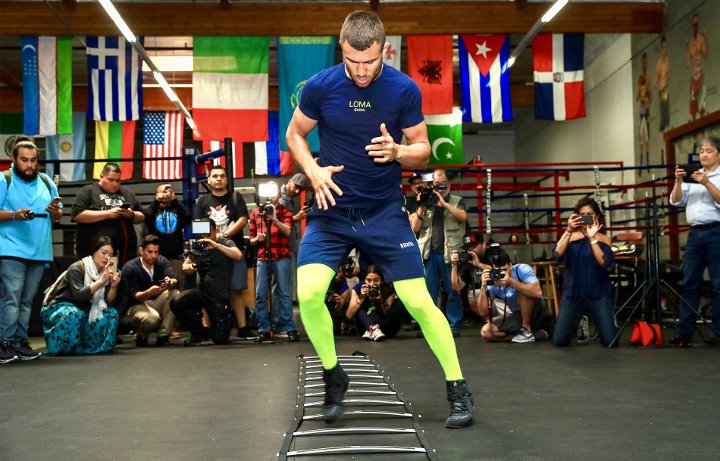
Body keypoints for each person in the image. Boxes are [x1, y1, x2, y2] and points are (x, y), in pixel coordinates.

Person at [286, 10, 473, 428]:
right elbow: (295, 133)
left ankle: (458, 387)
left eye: (369, 61)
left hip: (384, 212)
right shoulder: (320, 87)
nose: (361, 70)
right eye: (352, 61)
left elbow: (423, 148)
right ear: (341, 48)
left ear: (384, 50)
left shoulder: (403, 89)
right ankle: (333, 375)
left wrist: (399, 152)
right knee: (309, 293)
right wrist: (312, 170)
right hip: (332, 208)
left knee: (418, 301)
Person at [0, 141, 62, 363]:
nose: (29, 165)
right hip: (11, 248)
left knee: (27, 301)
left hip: (39, 250)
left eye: (33, 160)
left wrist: (55, 212)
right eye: (24, 160)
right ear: (14, 160)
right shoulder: (4, 179)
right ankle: (4, 342)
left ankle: (20, 342)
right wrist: (14, 215)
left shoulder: (46, 181)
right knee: (11, 298)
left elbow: (58, 214)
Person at [669, 136, 720, 346]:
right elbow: (676, 201)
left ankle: (717, 332)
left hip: (716, 231)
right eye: (701, 151)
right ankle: (684, 331)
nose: (704, 155)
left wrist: (707, 183)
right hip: (694, 234)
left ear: (719, 154)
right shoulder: (693, 175)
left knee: (718, 283)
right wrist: (678, 181)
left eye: (709, 150)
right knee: (689, 282)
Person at [194, 165, 254, 341]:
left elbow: (243, 219)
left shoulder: (235, 197)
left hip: (232, 249)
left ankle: (242, 327)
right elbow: (197, 223)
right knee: (206, 291)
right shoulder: (202, 200)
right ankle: (206, 328)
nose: (218, 179)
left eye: (222, 176)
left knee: (236, 289)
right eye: (215, 176)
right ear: (209, 180)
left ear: (227, 179)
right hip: (208, 252)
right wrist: (211, 238)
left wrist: (224, 235)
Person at [552, 198, 618, 347]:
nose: (586, 217)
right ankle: (581, 321)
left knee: (610, 341)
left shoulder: (604, 239)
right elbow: (556, 255)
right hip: (573, 292)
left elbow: (604, 262)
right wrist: (568, 229)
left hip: (598, 292)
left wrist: (592, 238)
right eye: (582, 214)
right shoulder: (570, 236)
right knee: (559, 340)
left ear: (597, 216)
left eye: (590, 214)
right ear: (576, 216)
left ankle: (609, 320)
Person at [40, 236, 120, 355]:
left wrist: (113, 286)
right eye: (103, 253)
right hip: (60, 306)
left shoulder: (106, 271)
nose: (106, 257)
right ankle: (64, 348)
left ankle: (94, 347)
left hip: (84, 308)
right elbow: (79, 296)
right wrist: (100, 281)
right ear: (94, 252)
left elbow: (107, 303)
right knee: (73, 313)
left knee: (111, 313)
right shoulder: (77, 268)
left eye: (110, 255)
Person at [412, 168, 468, 335]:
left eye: (443, 183)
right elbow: (415, 227)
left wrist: (444, 204)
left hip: (450, 254)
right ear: (432, 185)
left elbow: (463, 217)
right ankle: (431, 326)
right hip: (429, 253)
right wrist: (421, 205)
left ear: (448, 184)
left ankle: (454, 325)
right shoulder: (426, 200)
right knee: (430, 292)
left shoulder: (457, 201)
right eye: (436, 184)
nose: (440, 187)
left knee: (453, 291)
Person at [170, 219, 243, 346]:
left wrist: (216, 246)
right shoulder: (200, 244)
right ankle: (198, 331)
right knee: (177, 302)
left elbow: (238, 255)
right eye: (203, 235)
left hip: (219, 294)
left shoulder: (224, 242)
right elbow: (185, 266)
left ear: (216, 231)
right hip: (202, 290)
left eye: (209, 234)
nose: (206, 238)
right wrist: (190, 267)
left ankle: (224, 321)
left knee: (220, 339)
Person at [248, 191, 298, 343]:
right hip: (263, 257)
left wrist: (274, 219)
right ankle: (264, 329)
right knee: (260, 294)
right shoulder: (256, 212)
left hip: (281, 255)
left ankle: (289, 328)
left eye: (273, 193)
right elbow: (251, 239)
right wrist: (257, 239)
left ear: (279, 195)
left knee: (284, 293)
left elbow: (288, 232)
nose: (270, 197)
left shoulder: (285, 211)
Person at [71, 163, 144, 267]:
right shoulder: (88, 191)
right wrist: (108, 214)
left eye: (118, 181)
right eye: (110, 180)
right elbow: (77, 215)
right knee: (104, 275)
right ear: (101, 177)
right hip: (96, 252)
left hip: (124, 253)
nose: (115, 184)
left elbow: (142, 216)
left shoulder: (127, 193)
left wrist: (132, 214)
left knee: (117, 275)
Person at [121, 235, 180, 347]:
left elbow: (174, 278)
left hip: (155, 302)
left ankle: (163, 335)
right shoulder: (130, 267)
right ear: (141, 251)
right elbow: (133, 296)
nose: (153, 256)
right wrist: (148, 292)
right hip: (136, 305)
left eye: (156, 252)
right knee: (152, 318)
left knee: (175, 293)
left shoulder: (161, 261)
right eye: (150, 252)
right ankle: (141, 335)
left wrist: (170, 282)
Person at [476, 248, 543, 343]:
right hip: (517, 315)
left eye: (505, 270)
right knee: (486, 332)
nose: (503, 274)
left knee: (523, 290)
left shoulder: (521, 269)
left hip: (537, 313)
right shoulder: (493, 279)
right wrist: (483, 288)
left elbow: (538, 293)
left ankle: (527, 331)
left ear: (510, 265)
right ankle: (527, 336)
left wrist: (512, 283)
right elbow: (483, 313)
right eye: (499, 271)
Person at [144, 183, 189, 288]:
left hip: (175, 256)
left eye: (169, 191)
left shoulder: (177, 209)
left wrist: (175, 201)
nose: (166, 194)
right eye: (163, 192)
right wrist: (156, 201)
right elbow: (145, 217)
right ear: (157, 194)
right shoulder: (153, 209)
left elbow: (187, 218)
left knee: (176, 285)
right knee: (157, 285)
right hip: (155, 256)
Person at [346, 265, 405, 341]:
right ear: (364, 280)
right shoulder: (359, 287)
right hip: (365, 325)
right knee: (358, 305)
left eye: (376, 280)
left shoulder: (388, 287)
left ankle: (372, 330)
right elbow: (349, 316)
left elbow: (386, 313)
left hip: (385, 328)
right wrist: (362, 298)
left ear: (382, 280)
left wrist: (380, 301)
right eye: (368, 280)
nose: (372, 284)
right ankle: (372, 328)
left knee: (399, 302)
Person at [685, 13, 708, 120]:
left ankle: (703, 124)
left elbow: (705, 55)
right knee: (693, 105)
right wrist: (686, 49)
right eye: (694, 23)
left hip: (700, 75)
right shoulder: (690, 44)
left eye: (696, 23)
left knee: (702, 104)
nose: (695, 25)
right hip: (693, 78)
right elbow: (687, 64)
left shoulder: (701, 39)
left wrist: (705, 39)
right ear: (692, 25)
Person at [636, 53, 651, 171]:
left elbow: (646, 103)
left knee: (645, 141)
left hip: (645, 119)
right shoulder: (642, 99)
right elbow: (637, 97)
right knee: (642, 141)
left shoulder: (646, 99)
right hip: (642, 119)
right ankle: (642, 165)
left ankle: (647, 164)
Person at [654, 35, 670, 132]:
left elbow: (668, 73)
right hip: (662, 88)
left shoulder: (667, 61)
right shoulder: (659, 63)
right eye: (663, 47)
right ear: (661, 48)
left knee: (666, 106)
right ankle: (663, 126)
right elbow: (657, 75)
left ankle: (666, 126)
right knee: (663, 106)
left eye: (666, 47)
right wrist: (655, 84)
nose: (665, 49)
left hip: (665, 87)